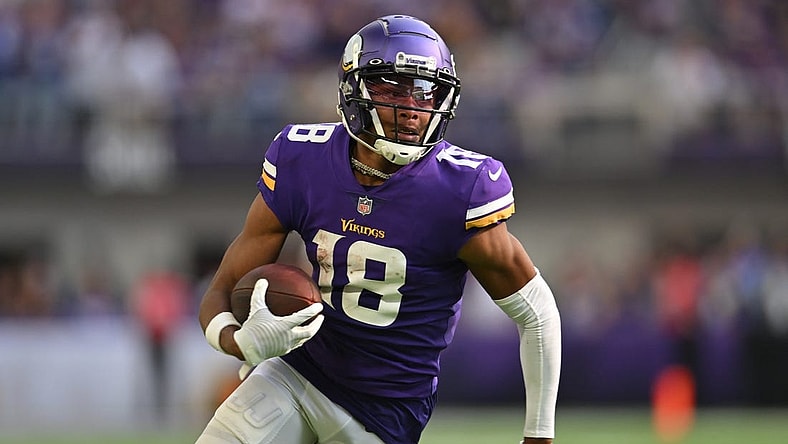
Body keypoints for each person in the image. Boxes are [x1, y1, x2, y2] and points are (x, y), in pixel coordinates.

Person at [195, 15, 561, 444]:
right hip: (296, 373)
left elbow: (537, 314)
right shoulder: (303, 160)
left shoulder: (459, 189)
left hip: (385, 413)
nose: (412, 108)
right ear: (354, 90)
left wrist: (539, 435)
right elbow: (222, 288)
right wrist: (241, 342)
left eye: (426, 93)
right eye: (394, 89)